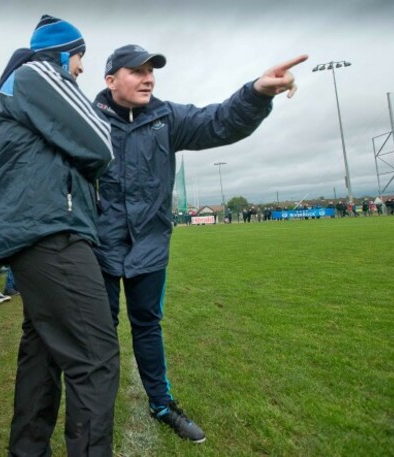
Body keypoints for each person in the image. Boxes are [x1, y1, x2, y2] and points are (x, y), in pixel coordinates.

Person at [93, 44, 307, 443]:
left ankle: (161, 403)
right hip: (98, 248)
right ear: (110, 80)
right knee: (99, 331)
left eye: (151, 71)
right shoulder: (87, 118)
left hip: (150, 246)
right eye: (137, 71)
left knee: (147, 327)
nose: (149, 78)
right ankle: (95, 411)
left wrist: (258, 92)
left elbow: (220, 122)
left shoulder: (167, 116)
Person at [0, 15, 120, 456]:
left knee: (42, 353)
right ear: (63, 53)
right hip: (51, 232)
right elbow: (101, 142)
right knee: (95, 357)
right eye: (80, 59)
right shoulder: (37, 72)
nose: (80, 70)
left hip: (36, 232)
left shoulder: (23, 84)